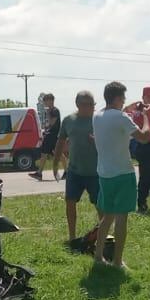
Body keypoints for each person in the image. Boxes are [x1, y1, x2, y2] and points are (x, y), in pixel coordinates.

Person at [93, 81, 150, 269]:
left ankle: (98, 256)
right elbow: (144, 137)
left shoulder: (97, 116)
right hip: (123, 173)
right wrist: (144, 117)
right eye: (123, 99)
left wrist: (129, 108)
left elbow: (114, 113)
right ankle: (117, 261)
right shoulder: (121, 118)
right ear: (118, 98)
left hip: (104, 173)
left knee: (107, 217)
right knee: (121, 218)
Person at [56, 90, 99, 244]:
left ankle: (103, 236)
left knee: (100, 205)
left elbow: (108, 145)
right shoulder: (68, 120)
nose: (91, 108)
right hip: (74, 171)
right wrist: (55, 165)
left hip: (95, 172)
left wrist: (97, 142)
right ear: (78, 104)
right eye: (87, 104)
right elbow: (60, 142)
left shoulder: (98, 120)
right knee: (70, 202)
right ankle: (72, 237)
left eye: (92, 104)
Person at [127, 86, 150, 213]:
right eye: (149, 96)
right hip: (143, 145)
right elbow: (138, 131)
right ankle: (142, 203)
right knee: (145, 177)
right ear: (143, 97)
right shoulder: (138, 112)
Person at [31, 92, 63, 181]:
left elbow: (52, 123)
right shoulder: (51, 110)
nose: (44, 103)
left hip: (52, 135)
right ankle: (67, 171)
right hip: (52, 134)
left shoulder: (54, 110)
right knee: (58, 153)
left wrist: (48, 114)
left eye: (45, 101)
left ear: (50, 101)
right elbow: (50, 124)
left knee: (44, 153)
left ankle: (39, 173)